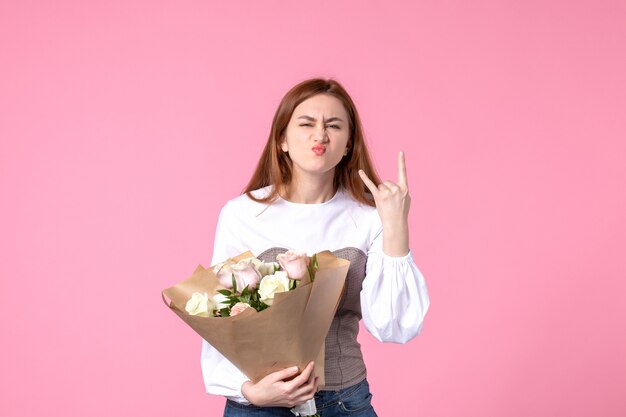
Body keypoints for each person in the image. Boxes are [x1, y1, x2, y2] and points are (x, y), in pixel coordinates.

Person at [202, 78, 430, 417]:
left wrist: (396, 226)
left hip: (343, 402)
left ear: (349, 144)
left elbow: (394, 327)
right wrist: (248, 391)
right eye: (306, 123)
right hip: (258, 406)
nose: (320, 135)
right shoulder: (242, 213)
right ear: (282, 139)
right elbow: (219, 316)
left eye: (334, 126)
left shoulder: (372, 218)